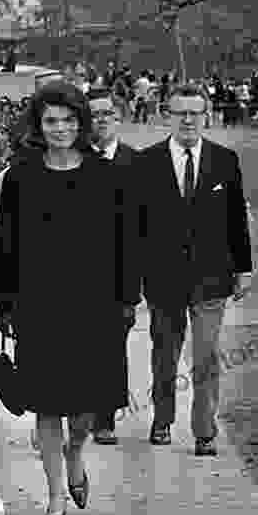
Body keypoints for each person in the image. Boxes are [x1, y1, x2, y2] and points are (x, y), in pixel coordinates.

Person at [0, 81, 141, 515]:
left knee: (84, 410)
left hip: (95, 305)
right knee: (47, 404)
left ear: (82, 123)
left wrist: (127, 298)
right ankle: (56, 494)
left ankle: (76, 452)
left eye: (69, 121)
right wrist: (4, 301)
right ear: (39, 125)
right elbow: (6, 242)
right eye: (51, 121)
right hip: (38, 305)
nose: (60, 129)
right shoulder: (20, 174)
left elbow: (125, 241)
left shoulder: (106, 174)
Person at [138, 84, 253, 456]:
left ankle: (205, 430)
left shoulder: (225, 160)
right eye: (180, 112)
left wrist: (244, 268)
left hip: (212, 277)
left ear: (207, 115)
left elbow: (236, 218)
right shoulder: (147, 162)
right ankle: (162, 418)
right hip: (163, 278)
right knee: (164, 355)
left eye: (195, 113)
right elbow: (135, 225)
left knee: (206, 357)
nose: (188, 120)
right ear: (166, 115)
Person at [86, 88, 141, 446]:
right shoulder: (70, 160)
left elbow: (143, 226)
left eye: (107, 114)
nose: (101, 120)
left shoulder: (135, 163)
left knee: (111, 348)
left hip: (119, 273)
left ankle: (105, 418)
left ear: (118, 119)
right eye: (94, 114)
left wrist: (133, 285)